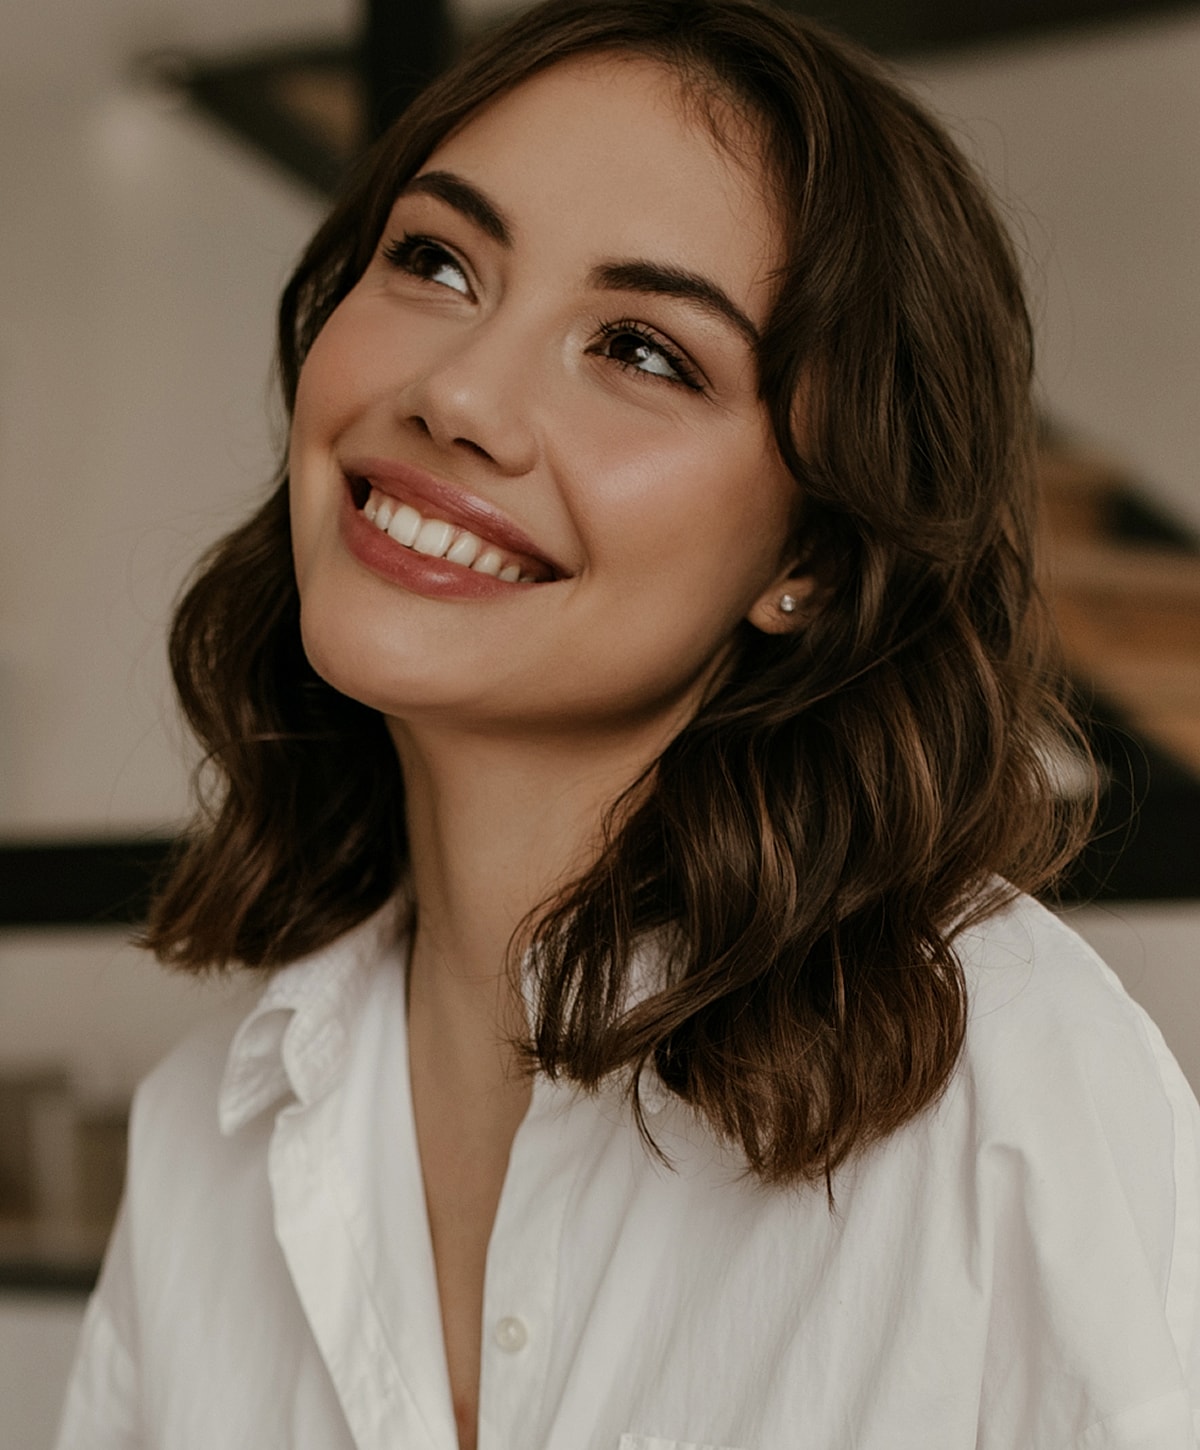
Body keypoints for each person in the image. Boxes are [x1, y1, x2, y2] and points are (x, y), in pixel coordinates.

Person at [56, 1, 1200, 1447]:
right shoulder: (202, 1143)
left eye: (646, 350)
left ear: (811, 561)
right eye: (435, 259)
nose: (457, 392)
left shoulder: (1005, 1088)